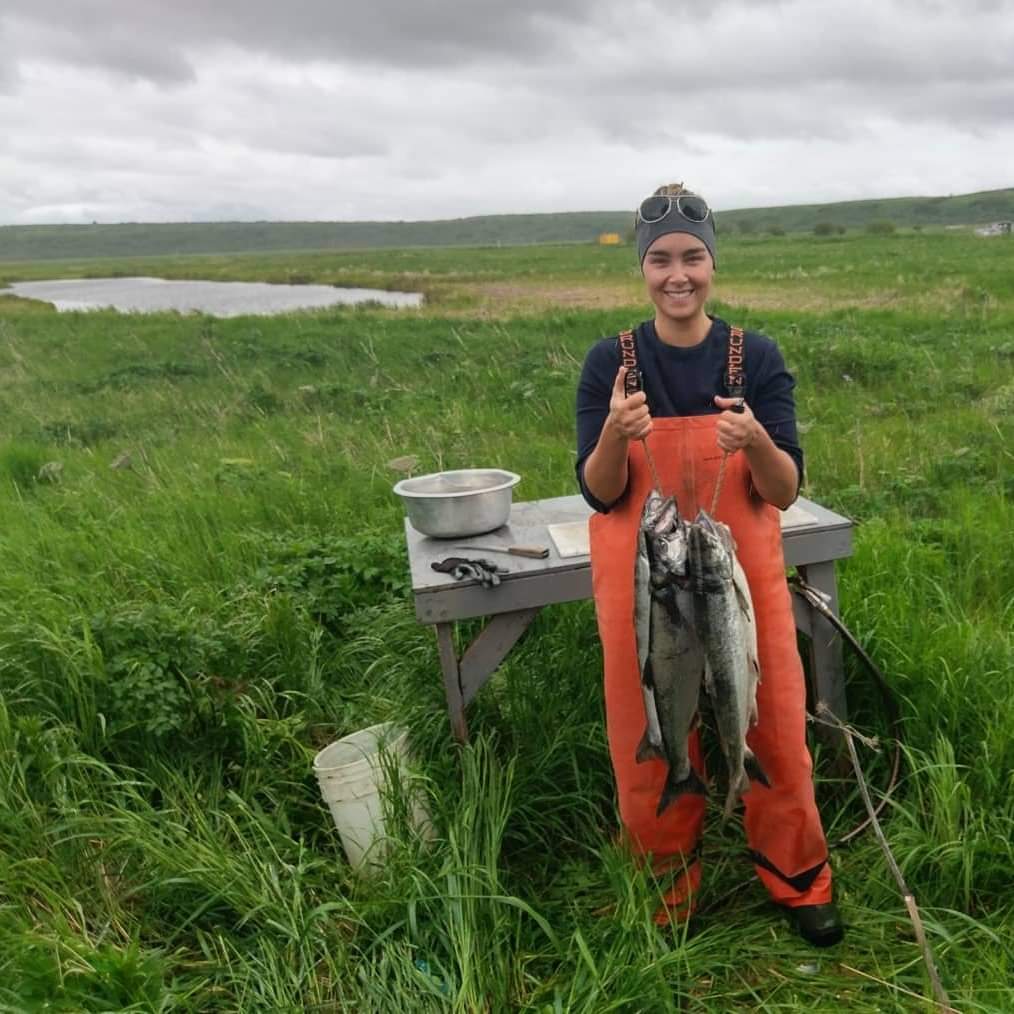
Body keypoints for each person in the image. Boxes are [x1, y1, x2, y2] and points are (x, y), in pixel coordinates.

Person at [575, 182, 844, 946]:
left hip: (739, 584)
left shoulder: (754, 356)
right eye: (660, 260)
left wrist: (756, 439)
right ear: (642, 269)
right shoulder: (611, 363)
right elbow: (600, 494)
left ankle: (798, 877)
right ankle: (664, 893)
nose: (677, 274)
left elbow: (783, 489)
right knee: (650, 729)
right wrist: (614, 437)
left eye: (693, 257)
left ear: (713, 263)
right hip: (647, 582)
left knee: (777, 726)